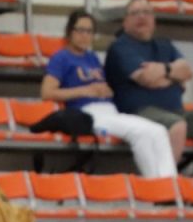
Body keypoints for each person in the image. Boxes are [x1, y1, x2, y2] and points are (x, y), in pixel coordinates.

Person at [104, 0, 193, 177]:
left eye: (147, 12)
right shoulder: (120, 47)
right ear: (125, 22)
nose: (142, 17)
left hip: (175, 110)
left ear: (154, 20)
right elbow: (146, 78)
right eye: (135, 13)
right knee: (177, 126)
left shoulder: (164, 45)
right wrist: (172, 75)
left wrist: (162, 71)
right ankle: (166, 185)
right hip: (138, 112)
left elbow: (187, 71)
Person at [41, 10, 178, 178]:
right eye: (80, 30)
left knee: (158, 131)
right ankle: (157, 186)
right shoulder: (61, 58)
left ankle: (171, 185)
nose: (85, 36)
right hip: (87, 113)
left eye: (89, 31)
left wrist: (106, 89)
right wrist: (84, 91)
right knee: (138, 133)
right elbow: (47, 92)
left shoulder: (92, 57)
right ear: (70, 32)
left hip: (109, 110)